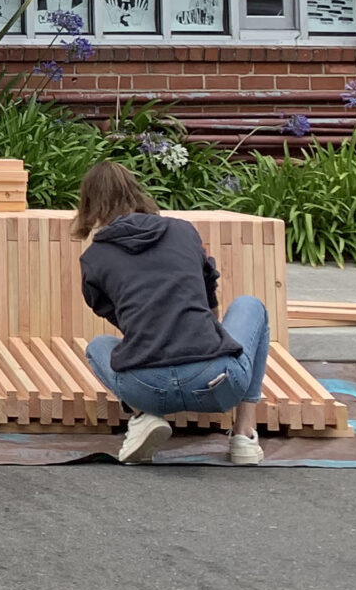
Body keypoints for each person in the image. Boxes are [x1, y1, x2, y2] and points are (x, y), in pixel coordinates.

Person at [73, 162, 269, 466]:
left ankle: (143, 418)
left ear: (88, 205)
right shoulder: (182, 231)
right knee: (250, 305)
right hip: (218, 383)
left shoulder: (94, 258)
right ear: (136, 191)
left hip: (146, 390)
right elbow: (208, 292)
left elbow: (110, 311)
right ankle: (244, 435)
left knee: (98, 346)